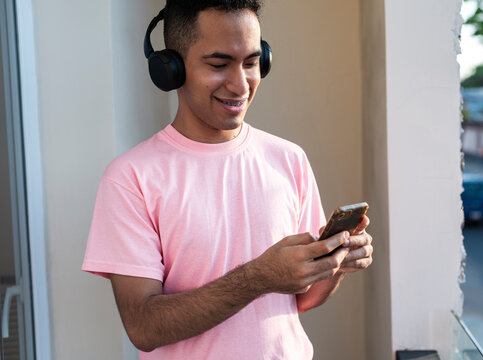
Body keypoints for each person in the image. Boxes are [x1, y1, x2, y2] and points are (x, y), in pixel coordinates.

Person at [82, 0, 373, 359]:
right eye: (219, 65)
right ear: (170, 68)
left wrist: (336, 265)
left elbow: (302, 299)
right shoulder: (130, 178)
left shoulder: (289, 159)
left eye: (252, 63)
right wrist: (257, 278)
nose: (241, 84)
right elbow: (143, 326)